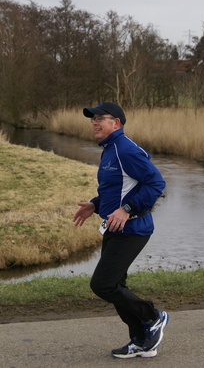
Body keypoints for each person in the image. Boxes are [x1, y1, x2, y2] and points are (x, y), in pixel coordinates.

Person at [73, 101, 169, 359]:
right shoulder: (109, 149)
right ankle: (141, 340)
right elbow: (118, 187)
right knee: (117, 285)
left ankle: (153, 317)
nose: (94, 122)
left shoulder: (124, 149)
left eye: (100, 118)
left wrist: (126, 209)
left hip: (133, 228)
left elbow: (156, 182)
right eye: (92, 118)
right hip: (115, 227)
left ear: (116, 123)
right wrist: (95, 204)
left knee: (103, 285)